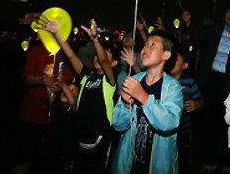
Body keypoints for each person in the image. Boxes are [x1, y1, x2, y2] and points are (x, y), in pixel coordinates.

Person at [42, 18, 119, 174]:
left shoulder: (109, 81)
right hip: (80, 137)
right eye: (97, 55)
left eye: (104, 54)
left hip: (99, 139)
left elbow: (104, 61)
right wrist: (57, 33)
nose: (99, 56)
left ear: (114, 63)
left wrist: (95, 40)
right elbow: (71, 56)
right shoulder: (86, 77)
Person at [111, 30, 183, 174]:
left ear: (166, 55)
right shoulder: (133, 81)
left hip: (158, 166)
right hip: (128, 165)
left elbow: (169, 124)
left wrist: (143, 97)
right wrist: (126, 105)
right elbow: (117, 125)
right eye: (145, 44)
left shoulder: (173, 87)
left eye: (153, 45)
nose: (146, 48)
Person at [195, 3, 230, 172]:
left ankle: (228, 162)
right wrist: (188, 23)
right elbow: (198, 36)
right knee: (210, 122)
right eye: (228, 11)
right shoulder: (214, 31)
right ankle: (209, 161)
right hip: (212, 81)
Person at [12, 42, 73, 174]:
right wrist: (41, 80)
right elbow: (26, 78)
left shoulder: (63, 52)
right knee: (25, 157)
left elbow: (68, 77)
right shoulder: (36, 50)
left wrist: (59, 85)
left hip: (53, 118)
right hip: (31, 114)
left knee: (48, 159)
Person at [169, 50, 205, 173]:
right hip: (166, 129)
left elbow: (202, 102)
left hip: (183, 130)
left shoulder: (189, 82)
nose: (172, 62)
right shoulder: (164, 78)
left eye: (176, 60)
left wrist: (196, 104)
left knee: (181, 158)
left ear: (184, 65)